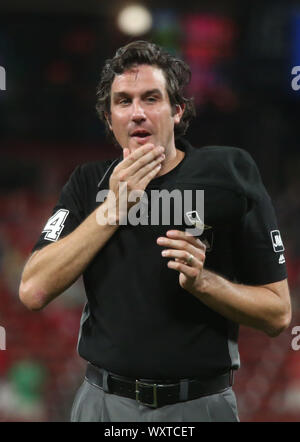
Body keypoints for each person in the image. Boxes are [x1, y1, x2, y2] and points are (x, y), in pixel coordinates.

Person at [19, 41, 291, 422]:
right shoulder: (87, 183)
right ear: (108, 117)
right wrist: (112, 210)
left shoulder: (229, 174)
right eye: (123, 101)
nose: (137, 114)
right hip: (104, 405)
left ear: (177, 111)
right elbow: (33, 289)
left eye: (151, 99)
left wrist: (204, 283)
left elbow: (278, 314)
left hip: (200, 405)